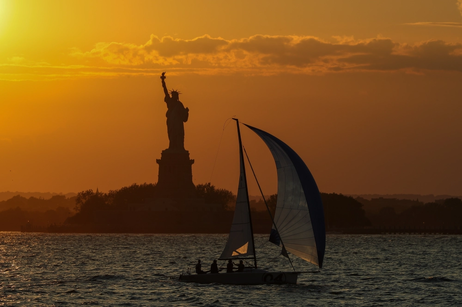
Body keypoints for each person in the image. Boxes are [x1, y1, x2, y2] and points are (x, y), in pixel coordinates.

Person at [160, 72, 189, 151]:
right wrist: (163, 81)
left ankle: (179, 147)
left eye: (176, 96)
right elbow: (165, 91)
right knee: (172, 135)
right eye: (173, 95)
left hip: (178, 123)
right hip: (171, 122)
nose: (174, 97)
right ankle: (172, 147)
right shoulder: (170, 102)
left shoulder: (179, 104)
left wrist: (186, 112)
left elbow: (184, 118)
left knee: (179, 134)